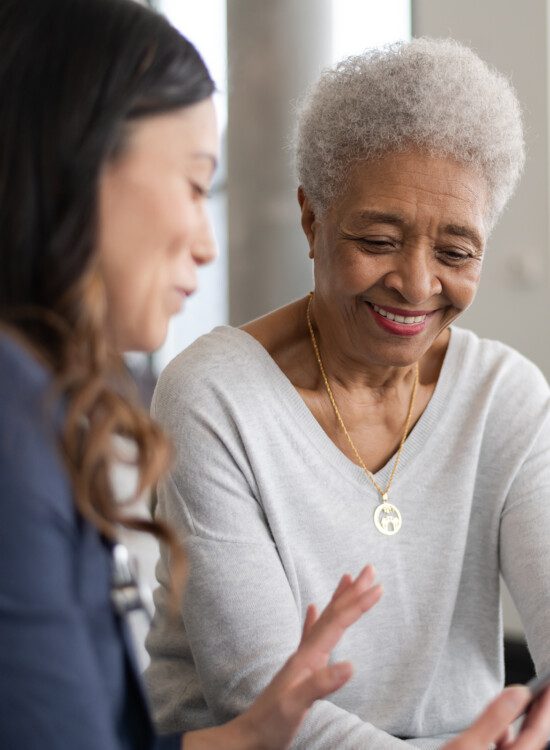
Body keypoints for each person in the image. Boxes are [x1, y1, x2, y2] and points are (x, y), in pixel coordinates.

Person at [145, 38, 550, 748]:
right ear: (312, 218)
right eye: (378, 239)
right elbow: (267, 703)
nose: (417, 285)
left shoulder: (504, 396)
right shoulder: (214, 398)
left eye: (456, 252)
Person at [0, 0, 384, 747]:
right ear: (77, 161)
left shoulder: (37, 406)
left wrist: (251, 732)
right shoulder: (11, 425)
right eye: (192, 183)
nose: (208, 246)